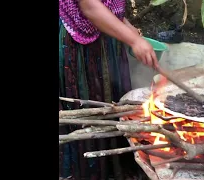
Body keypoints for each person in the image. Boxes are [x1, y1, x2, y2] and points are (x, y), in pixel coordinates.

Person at [59, 0, 158, 179]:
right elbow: (89, 6)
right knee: (87, 109)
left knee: (111, 101)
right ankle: (88, 172)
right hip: (79, 38)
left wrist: (125, 24)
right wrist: (134, 40)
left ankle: (112, 168)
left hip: (105, 32)